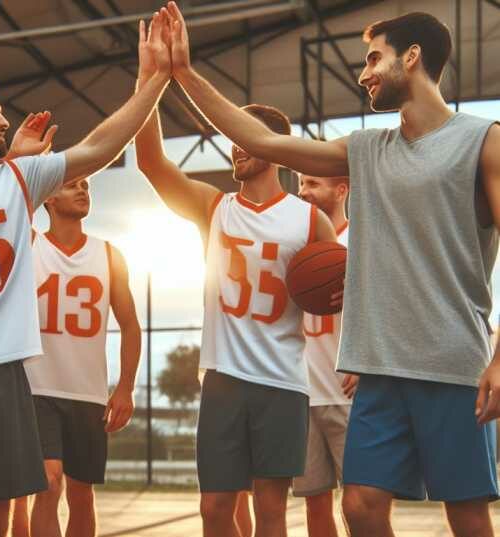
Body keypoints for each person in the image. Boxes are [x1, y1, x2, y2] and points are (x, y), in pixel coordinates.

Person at [163, 3, 500, 535]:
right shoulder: (365, 149)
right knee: (360, 505)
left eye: (373, 58)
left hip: (451, 362)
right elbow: (265, 142)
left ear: (411, 58)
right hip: (378, 367)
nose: (364, 73)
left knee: (466, 514)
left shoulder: (483, 141)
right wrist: (183, 73)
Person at [0, 14, 170, 537]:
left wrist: (155, 79)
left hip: (4, 376)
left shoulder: (17, 179)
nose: (4, 119)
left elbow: (101, 146)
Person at [136, 36, 337, 536]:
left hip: (284, 384)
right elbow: (151, 163)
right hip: (224, 379)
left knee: (270, 512)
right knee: (215, 510)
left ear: (272, 146)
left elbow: (341, 296)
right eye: (231, 138)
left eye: (245, 137)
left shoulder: (312, 221)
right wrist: (150, 81)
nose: (234, 146)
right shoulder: (214, 208)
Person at [13, 175, 141, 537]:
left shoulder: (109, 254)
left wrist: (125, 388)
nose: (83, 190)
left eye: (87, 185)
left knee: (82, 495)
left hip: (87, 394)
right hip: (36, 389)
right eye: (72, 185)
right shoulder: (29, 244)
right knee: (49, 483)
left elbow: (130, 325)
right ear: (48, 199)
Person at [295, 174, 357, 537]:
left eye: (313, 183)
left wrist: (367, 363)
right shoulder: (295, 247)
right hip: (303, 395)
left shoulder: (361, 241)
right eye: (301, 183)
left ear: (341, 189)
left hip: (348, 395)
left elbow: (386, 308)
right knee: (314, 504)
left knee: (360, 503)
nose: (304, 191)